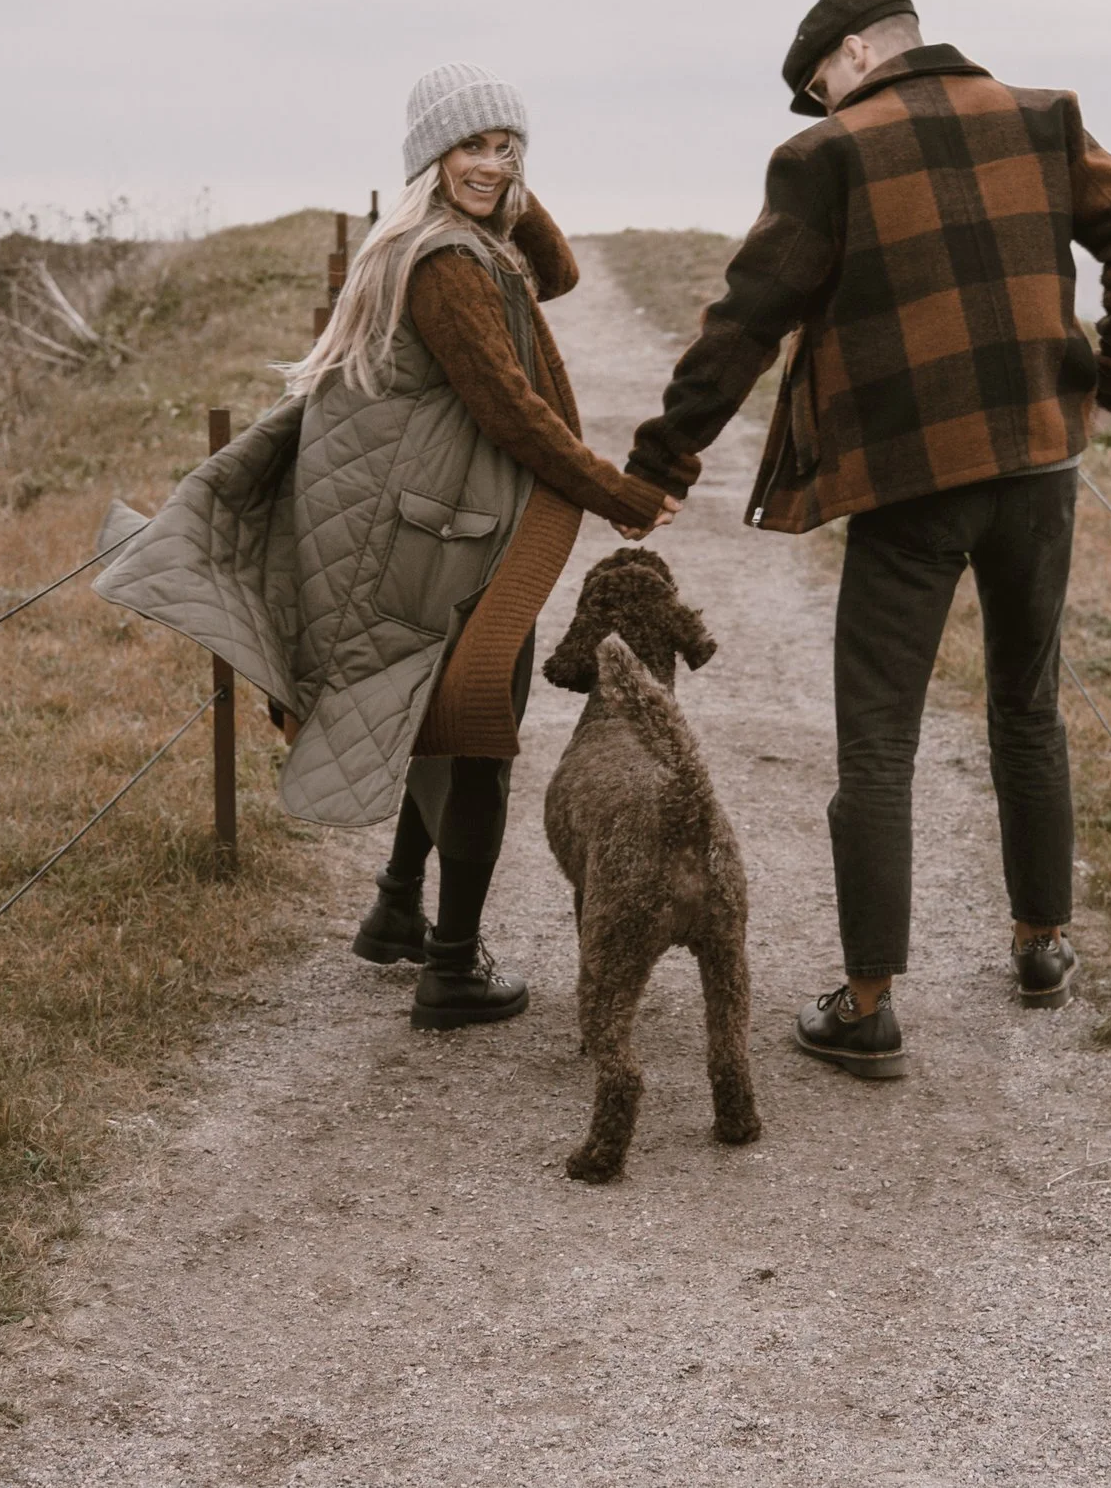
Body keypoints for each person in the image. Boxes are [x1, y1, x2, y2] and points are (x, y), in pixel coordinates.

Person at [624, 0, 1111, 1077]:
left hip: (908, 479)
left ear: (858, 50)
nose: (822, 105)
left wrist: (665, 452)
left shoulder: (829, 158)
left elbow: (748, 317)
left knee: (878, 737)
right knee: (1028, 704)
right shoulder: (1043, 116)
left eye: (819, 82)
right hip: (1037, 465)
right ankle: (1041, 947)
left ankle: (868, 1004)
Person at [97, 62, 676, 1030]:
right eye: (471, 146)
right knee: (480, 732)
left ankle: (397, 908)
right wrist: (613, 492)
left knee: (433, 714)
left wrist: (502, 185)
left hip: (431, 522)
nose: (490, 164)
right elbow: (511, 411)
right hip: (444, 541)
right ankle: (451, 968)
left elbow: (561, 274)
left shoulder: (435, 240)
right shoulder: (447, 267)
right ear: (426, 158)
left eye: (506, 146)